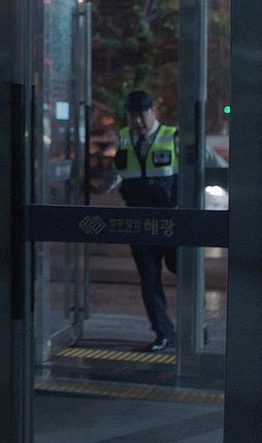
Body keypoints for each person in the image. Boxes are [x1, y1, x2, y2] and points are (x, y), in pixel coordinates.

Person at [107, 90, 178, 352]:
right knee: (148, 279)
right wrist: (97, 187)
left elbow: (208, 165)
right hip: (139, 222)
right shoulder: (124, 138)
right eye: (132, 116)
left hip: (171, 222)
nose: (137, 121)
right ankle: (163, 332)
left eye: (141, 115)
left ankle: (195, 326)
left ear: (153, 111)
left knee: (182, 269)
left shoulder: (173, 136)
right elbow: (116, 172)